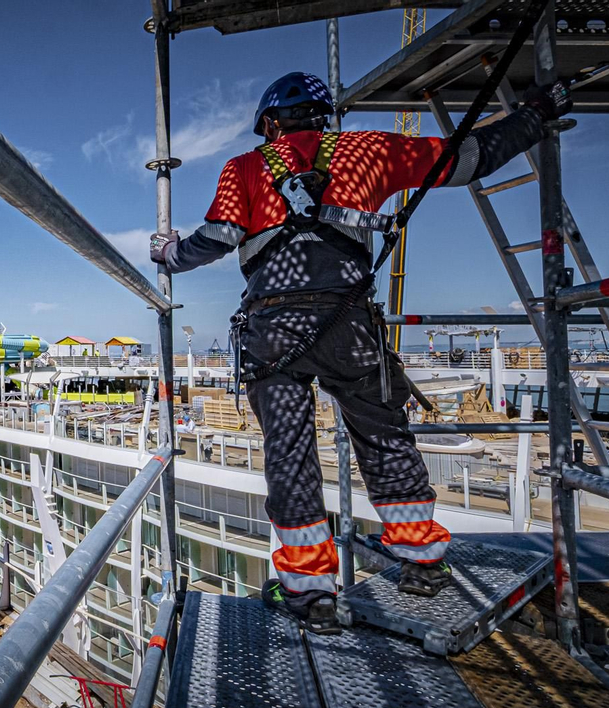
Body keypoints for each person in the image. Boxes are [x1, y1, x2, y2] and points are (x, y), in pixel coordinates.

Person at [150, 71, 571, 630]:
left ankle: (310, 593)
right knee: (382, 435)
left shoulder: (246, 168)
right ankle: (422, 560)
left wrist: (168, 253)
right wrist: (534, 116)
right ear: (322, 118)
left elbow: (217, 238)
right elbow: (468, 158)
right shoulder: (367, 150)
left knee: (289, 453)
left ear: (270, 124)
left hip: (274, 334)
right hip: (349, 325)